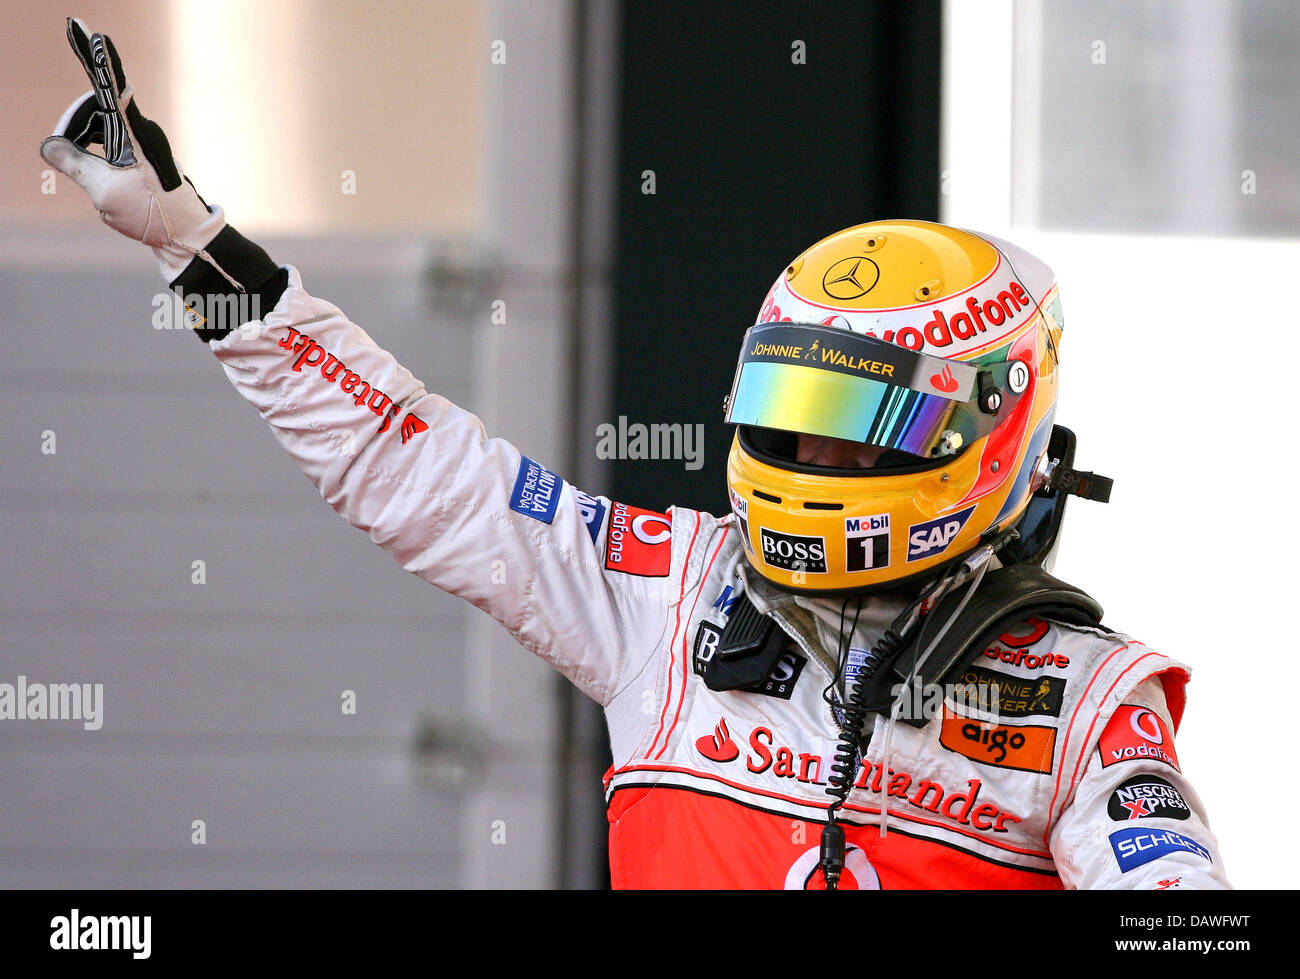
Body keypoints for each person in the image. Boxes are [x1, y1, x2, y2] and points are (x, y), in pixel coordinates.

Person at [41, 18, 1229, 889]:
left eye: (855, 421)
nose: (805, 447)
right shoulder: (668, 589)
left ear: (986, 428)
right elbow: (406, 459)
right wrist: (188, 241)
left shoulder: (1084, 700)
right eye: (788, 404)